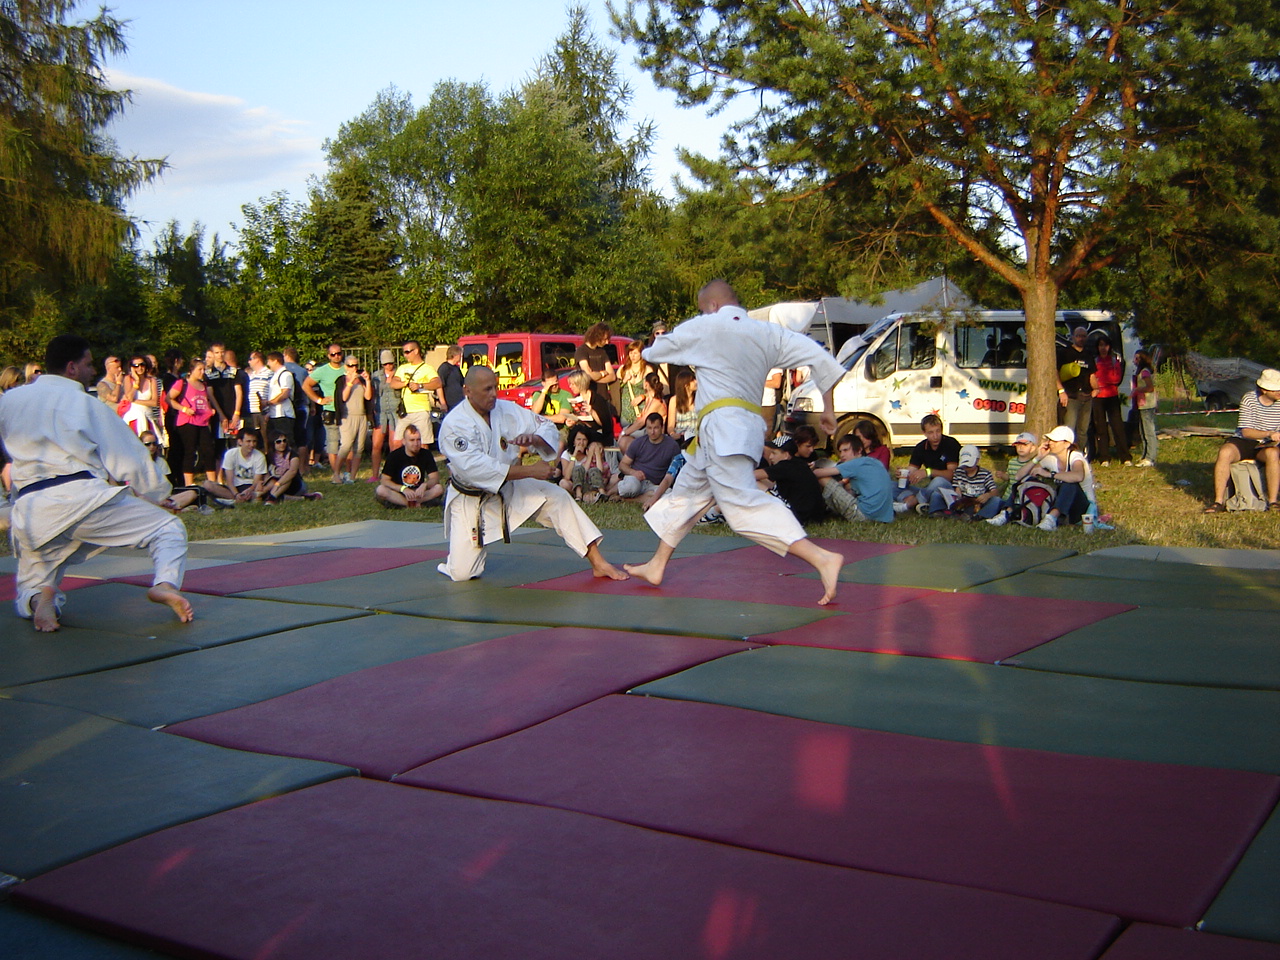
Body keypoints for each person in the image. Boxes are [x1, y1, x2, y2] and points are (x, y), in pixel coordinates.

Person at [623, 280, 847, 605]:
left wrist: (646, 351)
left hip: (722, 429)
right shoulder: (767, 332)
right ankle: (657, 564)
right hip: (739, 430)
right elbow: (818, 357)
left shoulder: (706, 326)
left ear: (713, 306)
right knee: (687, 493)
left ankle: (821, 558)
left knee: (740, 505)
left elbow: (656, 351)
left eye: (703, 309)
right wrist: (828, 408)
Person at [0, 335, 192, 630]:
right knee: (168, 529)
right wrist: (158, 494)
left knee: (33, 582)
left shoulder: (9, 401)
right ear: (71, 367)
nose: (92, 371)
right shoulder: (84, 403)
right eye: (88, 364)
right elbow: (129, 458)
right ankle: (165, 585)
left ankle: (40, 599)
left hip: (33, 509)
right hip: (84, 501)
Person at [436, 366, 627, 582]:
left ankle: (598, 562)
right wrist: (531, 470)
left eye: (495, 388)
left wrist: (536, 439)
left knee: (558, 498)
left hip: (509, 488)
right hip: (472, 500)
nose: (494, 394)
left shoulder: (505, 409)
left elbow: (544, 425)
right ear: (467, 391)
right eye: (487, 389)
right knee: (463, 573)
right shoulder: (455, 425)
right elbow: (477, 469)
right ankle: (452, 563)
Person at [1204, 368, 1280, 513]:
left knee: (1273, 454)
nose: (1279, 392)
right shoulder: (1249, 399)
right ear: (1264, 390)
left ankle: (1273, 501)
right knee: (1225, 452)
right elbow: (1246, 432)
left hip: (1267, 444)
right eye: (1276, 389)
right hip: (1246, 440)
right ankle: (1218, 501)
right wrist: (1269, 433)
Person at [1020, 425, 1095, 530]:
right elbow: (1019, 476)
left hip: (1082, 508)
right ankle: (1009, 512)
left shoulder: (1075, 457)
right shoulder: (1050, 459)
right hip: (1062, 503)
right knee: (1027, 482)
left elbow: (1078, 476)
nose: (1050, 443)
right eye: (1050, 440)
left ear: (1066, 444)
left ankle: (1051, 518)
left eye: (1055, 441)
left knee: (1069, 483)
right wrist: (1038, 457)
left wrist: (1050, 474)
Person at [814, 433, 895, 523]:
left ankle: (818, 509)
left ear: (859, 450)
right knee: (847, 486)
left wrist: (810, 468)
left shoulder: (855, 463)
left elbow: (818, 473)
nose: (842, 455)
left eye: (846, 450)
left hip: (864, 514)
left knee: (823, 479)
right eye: (840, 451)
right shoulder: (874, 462)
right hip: (884, 517)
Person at [168, 357, 217, 486]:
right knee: (189, 451)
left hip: (202, 421)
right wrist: (184, 409)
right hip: (187, 421)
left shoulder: (203, 385)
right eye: (199, 369)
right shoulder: (182, 383)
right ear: (192, 370)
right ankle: (189, 483)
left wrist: (210, 410)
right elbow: (169, 399)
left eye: (204, 369)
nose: (202, 372)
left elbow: (205, 401)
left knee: (209, 451)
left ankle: (213, 483)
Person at [609, 412, 680, 500]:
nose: (652, 432)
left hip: (655, 484)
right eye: (649, 428)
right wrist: (633, 472)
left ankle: (630, 499)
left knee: (668, 494)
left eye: (656, 428)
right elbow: (622, 465)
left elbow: (675, 470)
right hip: (636, 480)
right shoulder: (638, 442)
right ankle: (608, 494)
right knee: (631, 486)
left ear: (662, 428)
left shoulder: (672, 446)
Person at [303, 343, 347, 483]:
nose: (336, 356)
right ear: (328, 356)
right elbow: (306, 385)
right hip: (331, 410)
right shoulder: (322, 371)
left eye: (339, 353)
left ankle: (348, 471)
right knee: (333, 443)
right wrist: (319, 400)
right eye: (333, 354)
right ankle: (336, 473)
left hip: (347, 410)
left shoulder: (347, 368)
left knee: (347, 443)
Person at [757, 435, 826, 524]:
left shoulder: (784, 466)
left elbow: (752, 475)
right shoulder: (799, 464)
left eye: (774, 453)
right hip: (814, 515)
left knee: (756, 482)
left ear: (786, 455)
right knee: (762, 481)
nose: (770, 457)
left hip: (799, 516)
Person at [900, 414, 961, 513]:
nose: (935, 436)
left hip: (950, 487)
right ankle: (920, 500)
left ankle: (911, 503)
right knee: (893, 485)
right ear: (924, 433)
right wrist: (903, 475)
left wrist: (928, 472)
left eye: (938, 431)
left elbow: (952, 475)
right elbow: (912, 470)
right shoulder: (921, 447)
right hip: (930, 488)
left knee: (938, 481)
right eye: (931, 432)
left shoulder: (950, 444)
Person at [375, 423, 444, 508]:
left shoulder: (426, 454)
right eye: (412, 440)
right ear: (404, 441)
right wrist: (403, 489)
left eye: (418, 440)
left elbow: (435, 478)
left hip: (418, 493)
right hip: (399, 492)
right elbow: (384, 480)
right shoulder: (394, 456)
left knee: (439, 488)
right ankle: (412, 504)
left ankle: (408, 504)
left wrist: (425, 485)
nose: (416, 443)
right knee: (381, 490)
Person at [390, 340, 441, 446]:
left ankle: (423, 457)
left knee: (423, 443)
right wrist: (405, 383)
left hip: (421, 410)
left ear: (416, 351)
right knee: (397, 442)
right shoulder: (402, 368)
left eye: (407, 352)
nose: (405, 355)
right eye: (404, 352)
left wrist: (420, 385)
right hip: (405, 411)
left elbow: (437, 383)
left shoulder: (427, 368)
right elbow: (393, 383)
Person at [1090, 334, 1130, 465]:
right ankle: (1104, 457)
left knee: (1117, 427)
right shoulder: (1094, 361)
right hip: (1098, 398)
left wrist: (1101, 381)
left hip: (1112, 396)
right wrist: (1101, 381)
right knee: (1100, 428)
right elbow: (1092, 378)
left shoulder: (1114, 360)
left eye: (1105, 345)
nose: (1103, 348)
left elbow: (1116, 379)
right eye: (1101, 345)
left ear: (1109, 347)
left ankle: (1125, 456)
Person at [986, 431, 1040, 526]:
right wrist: (1003, 475)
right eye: (1018, 445)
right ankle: (985, 515)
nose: (1021, 447)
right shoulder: (1012, 461)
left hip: (1021, 497)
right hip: (1008, 496)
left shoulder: (1033, 464)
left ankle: (1006, 515)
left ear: (1032, 448)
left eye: (1025, 445)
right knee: (996, 501)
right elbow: (1010, 477)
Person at [202, 429, 268, 505]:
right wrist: (236, 494)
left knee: (264, 487)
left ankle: (236, 500)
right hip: (234, 487)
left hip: (251, 487)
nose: (252, 444)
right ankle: (238, 499)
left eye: (254, 441)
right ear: (240, 441)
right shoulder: (231, 454)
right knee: (207, 484)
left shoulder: (260, 456)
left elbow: (257, 480)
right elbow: (229, 480)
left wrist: (250, 490)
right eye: (248, 441)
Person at [334, 355, 372, 483]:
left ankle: (352, 476)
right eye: (350, 365)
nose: (353, 368)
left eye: (356, 365)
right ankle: (336, 474)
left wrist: (367, 381)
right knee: (346, 446)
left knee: (359, 448)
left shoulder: (360, 380)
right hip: (347, 416)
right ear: (345, 367)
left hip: (361, 416)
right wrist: (350, 382)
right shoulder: (342, 380)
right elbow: (343, 398)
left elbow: (368, 397)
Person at [941, 444, 1001, 520]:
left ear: (977, 460)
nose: (966, 468)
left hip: (980, 501)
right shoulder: (959, 471)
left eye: (969, 466)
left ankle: (979, 516)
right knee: (937, 495)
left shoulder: (985, 473)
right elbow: (957, 489)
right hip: (964, 501)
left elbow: (995, 491)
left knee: (996, 501)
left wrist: (988, 495)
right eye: (964, 466)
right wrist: (956, 498)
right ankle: (946, 512)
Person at [1057, 326, 1094, 447]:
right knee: (1069, 429)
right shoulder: (1065, 353)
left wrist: (1096, 389)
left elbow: (1092, 374)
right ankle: (1066, 454)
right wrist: (1061, 391)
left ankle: (1079, 454)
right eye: (1078, 336)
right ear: (1073, 337)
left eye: (1083, 336)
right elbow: (1055, 372)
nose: (1081, 339)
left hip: (1086, 396)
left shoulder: (1088, 354)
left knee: (1083, 431)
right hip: (1071, 396)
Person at [575, 322, 619, 419]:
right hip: (587, 398)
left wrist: (594, 376)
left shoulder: (602, 352)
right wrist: (602, 373)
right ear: (597, 336)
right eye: (605, 339)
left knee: (605, 425)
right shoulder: (581, 351)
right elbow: (587, 375)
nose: (607, 342)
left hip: (603, 398)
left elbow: (612, 376)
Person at [263, 431, 323, 503]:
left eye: (284, 441)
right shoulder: (268, 457)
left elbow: (292, 471)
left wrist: (277, 484)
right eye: (278, 442)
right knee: (271, 486)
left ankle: (272, 497)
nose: (282, 443)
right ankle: (304, 498)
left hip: (293, 484)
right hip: (276, 485)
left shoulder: (292, 454)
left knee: (287, 476)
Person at [204, 342, 244, 450]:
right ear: (213, 354)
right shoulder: (208, 373)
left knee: (235, 444)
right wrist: (221, 414)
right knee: (219, 446)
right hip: (218, 414)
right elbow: (210, 395)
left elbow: (239, 392)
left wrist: (237, 412)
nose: (220, 355)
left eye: (222, 352)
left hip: (233, 412)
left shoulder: (234, 371)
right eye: (217, 352)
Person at [617, 373, 667, 455]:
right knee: (625, 440)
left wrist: (625, 432)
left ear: (646, 384)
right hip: (645, 430)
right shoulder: (649, 399)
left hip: (652, 431)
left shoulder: (657, 402)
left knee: (624, 439)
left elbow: (642, 422)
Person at [559, 423, 610, 504]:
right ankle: (579, 494)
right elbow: (567, 476)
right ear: (573, 441)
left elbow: (598, 471)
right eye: (578, 439)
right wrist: (574, 454)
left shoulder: (591, 453)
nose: (581, 442)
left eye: (584, 440)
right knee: (563, 483)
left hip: (590, 483)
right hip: (575, 484)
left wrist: (590, 455)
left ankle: (593, 494)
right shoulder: (567, 454)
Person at [120, 355, 165, 442]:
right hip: (133, 417)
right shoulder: (128, 379)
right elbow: (129, 397)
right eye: (136, 366)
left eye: (142, 364)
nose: (139, 368)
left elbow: (154, 402)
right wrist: (137, 381)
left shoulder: (152, 380)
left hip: (148, 416)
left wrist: (135, 401)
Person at [370, 349, 400, 480]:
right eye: (385, 364)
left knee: (395, 445)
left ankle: (392, 473)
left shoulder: (399, 374)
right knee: (377, 445)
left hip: (395, 411)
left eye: (390, 363)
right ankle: (375, 474)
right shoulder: (376, 376)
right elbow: (372, 394)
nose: (388, 366)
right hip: (380, 412)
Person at [1130, 349, 1158, 467]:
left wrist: (1137, 389)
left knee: (1148, 432)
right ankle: (1145, 455)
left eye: (1137, 358)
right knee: (1143, 431)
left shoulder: (1144, 372)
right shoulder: (1141, 372)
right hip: (1141, 405)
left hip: (1147, 405)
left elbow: (1150, 388)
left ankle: (1150, 457)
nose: (1134, 361)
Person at [264, 352, 296, 442]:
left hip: (284, 414)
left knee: (286, 441)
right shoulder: (275, 375)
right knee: (273, 442)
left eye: (269, 361)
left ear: (276, 361)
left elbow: (285, 393)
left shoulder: (285, 374)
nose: (268, 364)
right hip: (274, 414)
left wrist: (269, 403)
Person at [667, 369, 698, 447]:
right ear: (686, 385)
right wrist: (673, 434)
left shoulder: (699, 399)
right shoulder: (674, 400)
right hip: (680, 438)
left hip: (696, 437)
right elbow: (670, 425)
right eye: (692, 380)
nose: (696, 382)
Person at [245, 350, 272, 436]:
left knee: (265, 437)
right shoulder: (251, 375)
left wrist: (269, 412)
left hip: (263, 412)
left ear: (257, 359)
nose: (249, 362)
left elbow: (273, 392)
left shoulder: (269, 373)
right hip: (252, 411)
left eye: (250, 359)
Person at [437, 345, 465, 413]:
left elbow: (462, 383)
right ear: (455, 355)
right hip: (450, 404)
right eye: (460, 355)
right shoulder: (444, 368)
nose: (461, 357)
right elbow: (439, 386)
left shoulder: (456, 368)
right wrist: (443, 403)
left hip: (459, 402)